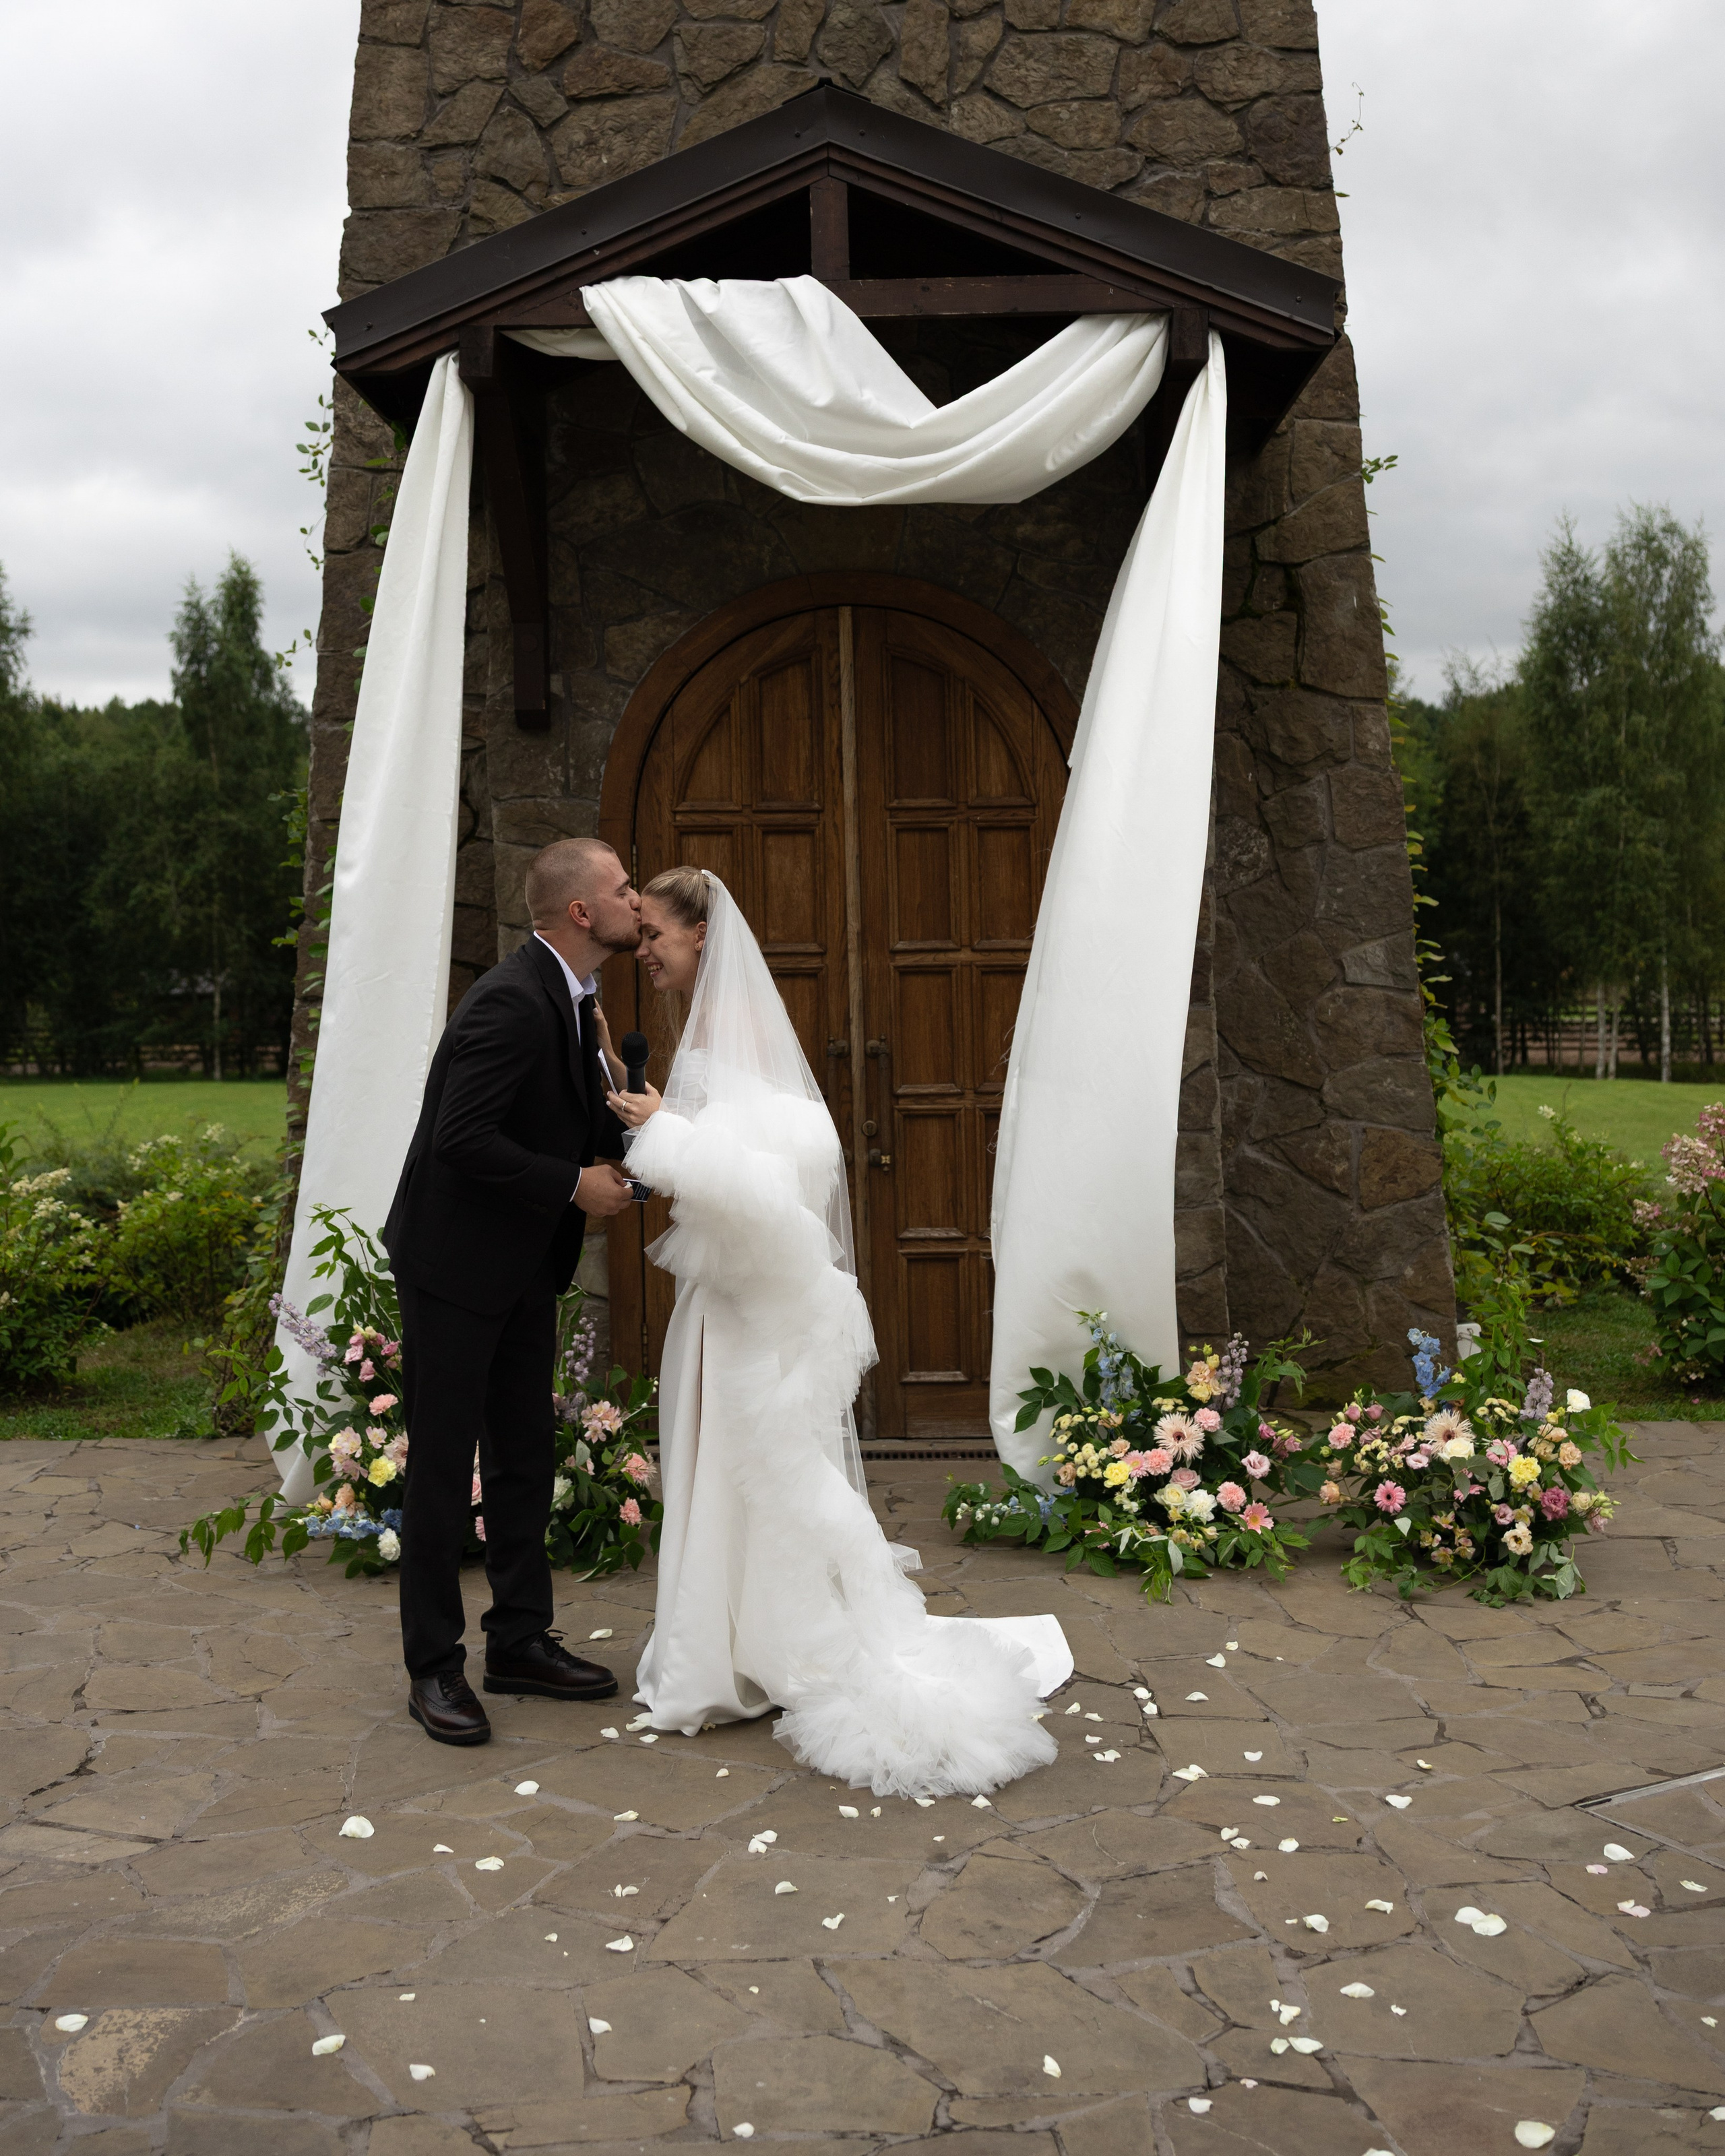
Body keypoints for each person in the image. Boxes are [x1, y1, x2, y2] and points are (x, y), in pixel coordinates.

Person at [608, 866, 1069, 1799]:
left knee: (767, 1473)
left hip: (757, 1313)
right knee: (740, 1478)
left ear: (702, 936)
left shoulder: (732, 1042)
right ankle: (730, 1639)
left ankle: (761, 1648)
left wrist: (668, 1133)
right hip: (733, 1308)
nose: (643, 949)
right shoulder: (710, 1035)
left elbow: (775, 1196)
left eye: (654, 932)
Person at [382, 837, 639, 1746]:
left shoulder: (575, 998)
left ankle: (520, 1641)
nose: (636, 901)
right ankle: (433, 1667)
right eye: (622, 889)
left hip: (523, 1265)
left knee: (525, 1455)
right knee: (443, 1467)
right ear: (581, 911)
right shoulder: (510, 1002)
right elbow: (460, 1138)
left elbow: (562, 1115)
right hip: (455, 1269)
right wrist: (573, 1186)